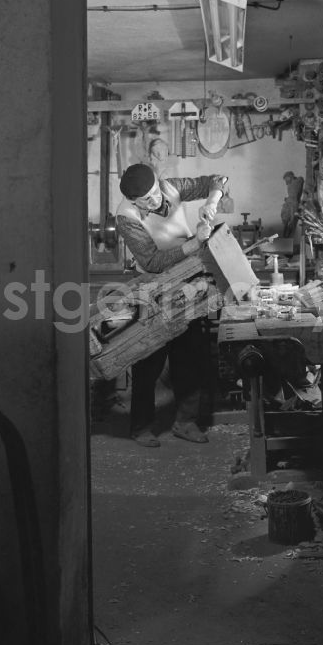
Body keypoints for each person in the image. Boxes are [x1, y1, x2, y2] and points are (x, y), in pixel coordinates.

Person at [114, 163, 228, 447]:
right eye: (146, 200)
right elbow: (151, 261)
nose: (154, 200)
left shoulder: (170, 187)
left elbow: (217, 180)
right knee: (148, 358)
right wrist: (194, 243)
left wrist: (211, 202)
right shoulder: (126, 217)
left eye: (154, 193)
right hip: (154, 288)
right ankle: (141, 427)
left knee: (191, 354)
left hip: (189, 281)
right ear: (133, 202)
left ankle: (186, 423)